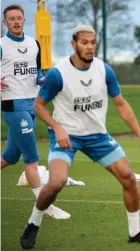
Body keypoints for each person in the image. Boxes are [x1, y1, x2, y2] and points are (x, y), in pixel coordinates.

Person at [19, 25, 140, 249]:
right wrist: (57, 127)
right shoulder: (58, 73)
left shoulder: (104, 70)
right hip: (67, 136)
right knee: (56, 182)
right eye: (84, 42)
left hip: (97, 136)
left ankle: (135, 232)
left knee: (129, 178)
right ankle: (33, 223)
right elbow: (38, 105)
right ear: (74, 44)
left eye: (92, 43)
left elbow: (121, 105)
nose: (89, 47)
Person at [1, 4, 70, 219]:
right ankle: (45, 205)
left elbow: (37, 73)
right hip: (13, 105)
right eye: (11, 19)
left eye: (19, 18)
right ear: (5, 23)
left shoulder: (34, 44)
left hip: (32, 103)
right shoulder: (2, 45)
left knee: (10, 156)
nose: (16, 22)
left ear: (24, 20)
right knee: (31, 158)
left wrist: (45, 80)